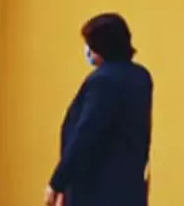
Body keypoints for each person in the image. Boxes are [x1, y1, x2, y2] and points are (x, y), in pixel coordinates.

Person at [42, 13, 153, 206]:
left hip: (97, 190)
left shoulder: (103, 81)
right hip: (129, 188)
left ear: (102, 47)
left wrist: (58, 182)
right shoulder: (140, 77)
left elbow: (86, 134)